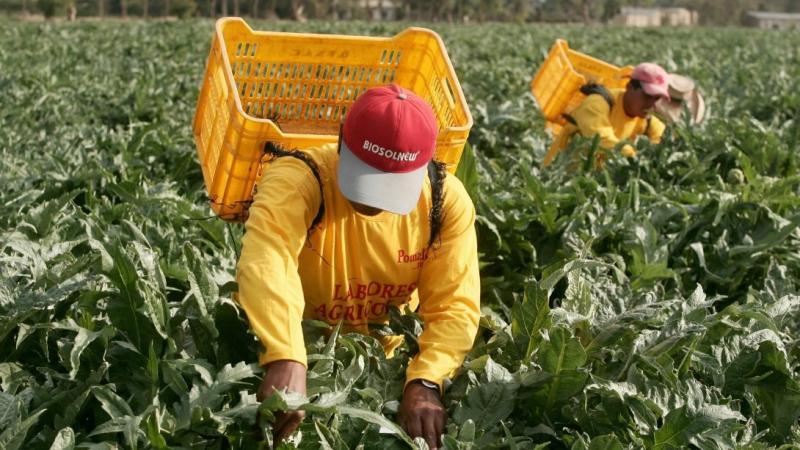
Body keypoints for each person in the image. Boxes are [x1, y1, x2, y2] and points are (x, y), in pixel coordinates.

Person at [236, 84, 480, 450]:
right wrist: (285, 355)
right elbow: (267, 259)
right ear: (339, 142)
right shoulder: (296, 179)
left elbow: (454, 305)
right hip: (301, 355)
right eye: (366, 175)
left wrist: (426, 381)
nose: (373, 204)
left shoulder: (444, 201)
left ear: (425, 164)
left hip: (390, 368)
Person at [542, 62, 671, 167]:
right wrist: (638, 159)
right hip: (557, 181)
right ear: (629, 87)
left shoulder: (646, 118)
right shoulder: (596, 104)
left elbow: (666, 142)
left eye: (657, 98)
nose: (653, 104)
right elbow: (602, 141)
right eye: (648, 96)